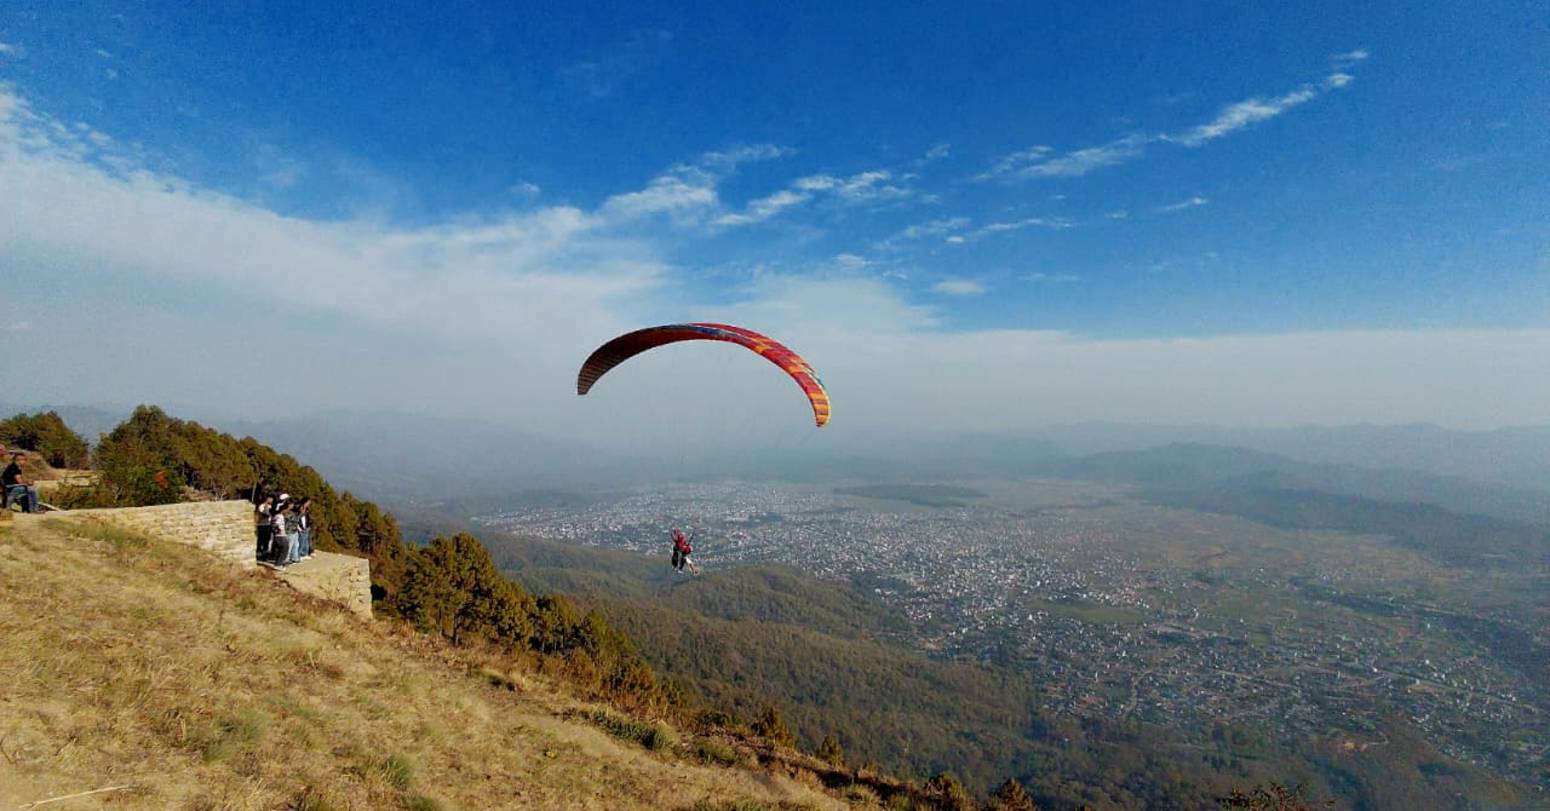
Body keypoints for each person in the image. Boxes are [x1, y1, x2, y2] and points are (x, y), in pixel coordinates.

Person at [270, 501, 297, 569]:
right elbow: (275, 525)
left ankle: (278, 563)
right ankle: (278, 564)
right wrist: (279, 531)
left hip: (280, 535)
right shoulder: (279, 516)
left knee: (281, 550)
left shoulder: (278, 516)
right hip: (280, 535)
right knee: (284, 549)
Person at [254, 495, 275, 561]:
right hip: (262, 525)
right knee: (261, 541)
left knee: (267, 541)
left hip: (268, 525)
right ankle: (259, 554)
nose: (272, 500)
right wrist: (266, 508)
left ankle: (265, 555)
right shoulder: (261, 506)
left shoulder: (270, 506)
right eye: (271, 499)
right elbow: (264, 515)